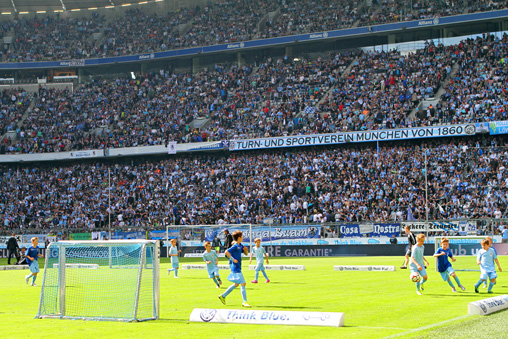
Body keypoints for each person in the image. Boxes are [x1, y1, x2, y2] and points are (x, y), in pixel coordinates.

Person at [218, 230, 250, 308]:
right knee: (243, 283)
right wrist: (233, 259)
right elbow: (226, 252)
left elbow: (246, 254)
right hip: (236, 267)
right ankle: (244, 302)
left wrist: (246, 250)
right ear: (239, 237)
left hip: (238, 266)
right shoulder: (235, 246)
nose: (242, 238)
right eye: (242, 236)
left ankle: (223, 296)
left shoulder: (240, 245)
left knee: (236, 284)